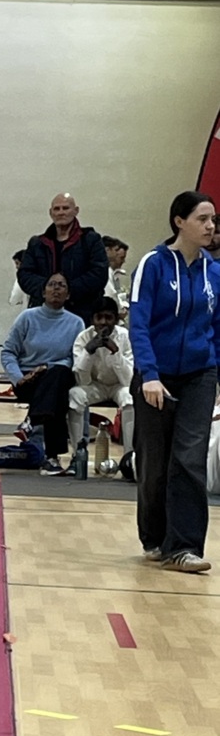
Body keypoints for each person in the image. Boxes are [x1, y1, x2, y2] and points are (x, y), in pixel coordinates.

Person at [129, 190, 220, 572]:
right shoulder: (152, 265)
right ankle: (154, 537)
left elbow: (217, 328)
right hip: (157, 377)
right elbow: (138, 324)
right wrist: (149, 375)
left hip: (200, 375)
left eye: (213, 220)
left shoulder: (214, 272)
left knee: (189, 459)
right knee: (154, 462)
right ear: (179, 221)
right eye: (203, 219)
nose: (211, 227)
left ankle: (184, 547)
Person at [1, 273, 84, 475]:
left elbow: (76, 357)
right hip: (29, 380)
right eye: (51, 284)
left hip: (58, 376)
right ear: (43, 292)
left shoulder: (76, 323)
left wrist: (48, 368)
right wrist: (19, 378)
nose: (56, 289)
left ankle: (32, 422)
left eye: (61, 285)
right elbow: (8, 352)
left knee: (57, 377)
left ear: (68, 294)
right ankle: (51, 458)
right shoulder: (27, 317)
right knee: (55, 396)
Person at [18, 192, 108, 325]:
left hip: (82, 313)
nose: (61, 213)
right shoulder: (37, 243)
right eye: (57, 209)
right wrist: (48, 290)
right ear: (51, 213)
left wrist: (67, 290)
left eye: (65, 208)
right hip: (43, 315)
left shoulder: (91, 240)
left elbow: (99, 274)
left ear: (76, 211)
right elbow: (25, 275)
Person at [68, 295, 134, 452]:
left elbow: (128, 380)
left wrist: (115, 352)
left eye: (108, 317)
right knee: (75, 395)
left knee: (129, 398)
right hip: (95, 386)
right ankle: (78, 453)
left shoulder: (125, 336)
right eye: (99, 317)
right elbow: (82, 381)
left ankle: (129, 455)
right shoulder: (83, 338)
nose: (104, 322)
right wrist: (89, 351)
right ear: (92, 320)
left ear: (116, 320)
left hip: (119, 386)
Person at [102, 235, 130, 319]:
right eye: (115, 250)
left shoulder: (113, 273)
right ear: (107, 250)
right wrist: (121, 310)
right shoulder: (105, 271)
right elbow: (110, 295)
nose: (123, 261)